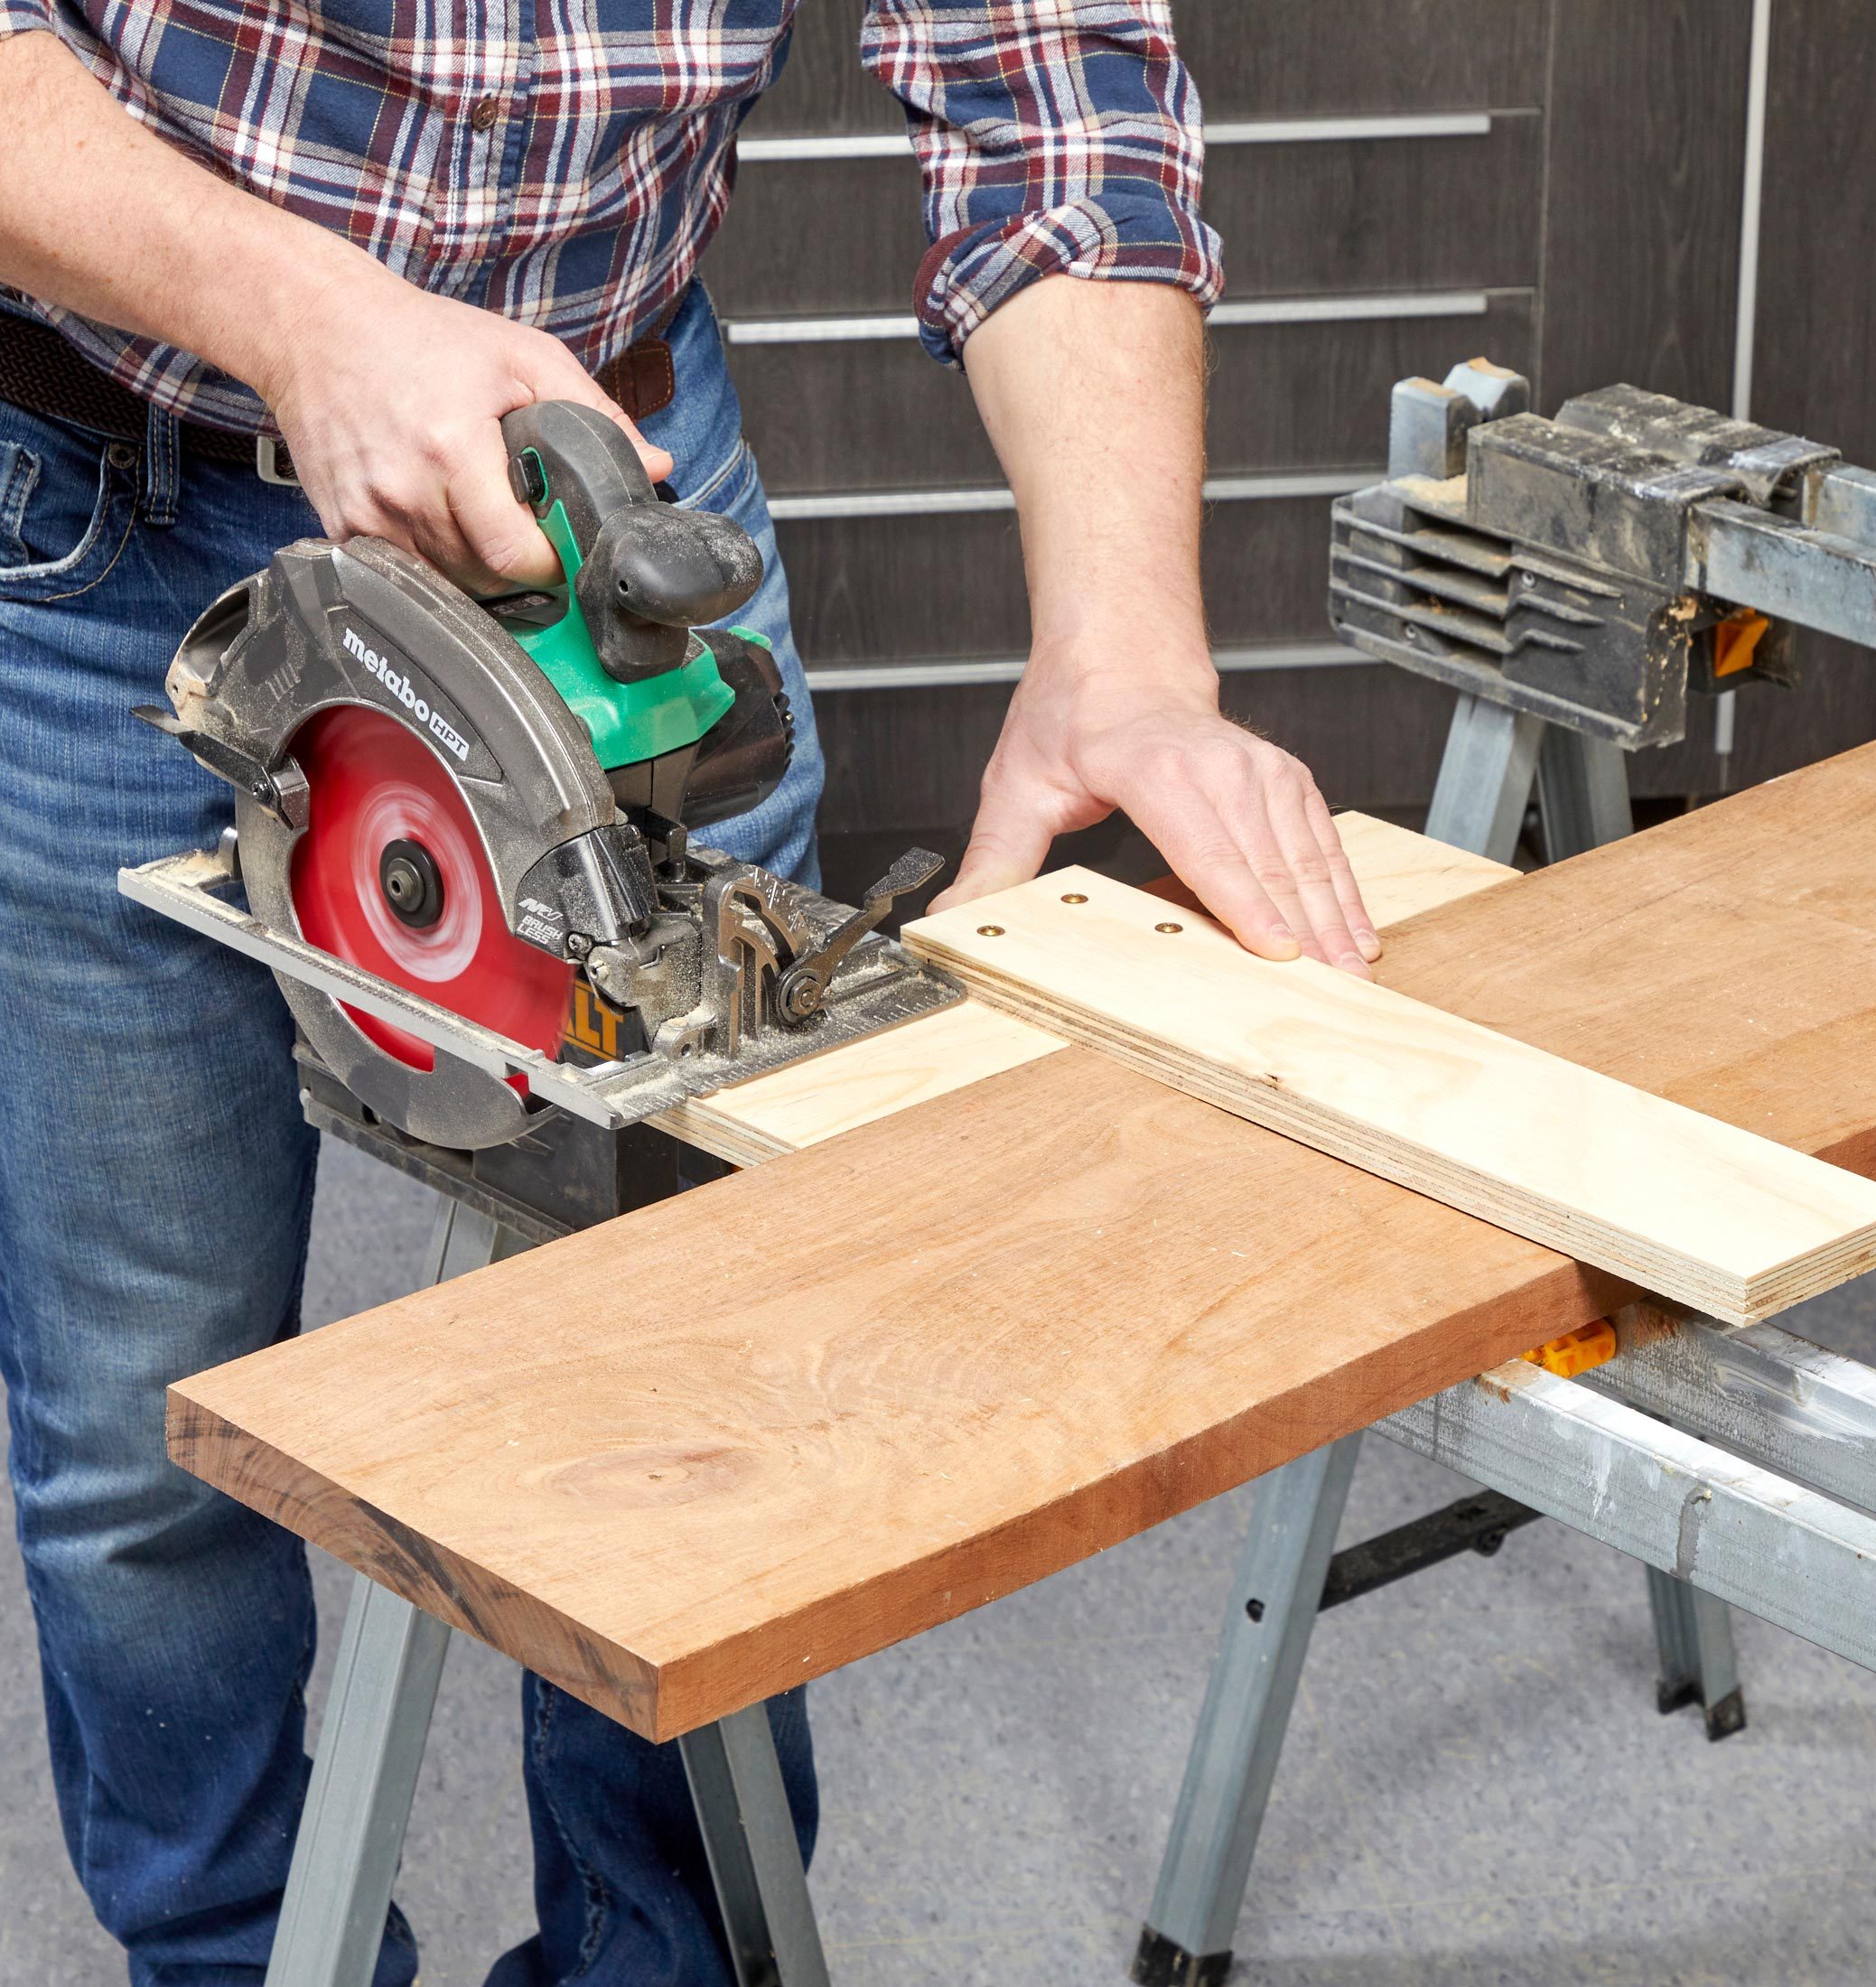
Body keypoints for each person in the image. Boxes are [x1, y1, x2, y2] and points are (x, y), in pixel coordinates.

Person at [0, 4, 1379, 1981]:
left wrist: (1125, 647)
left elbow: (1046, 70)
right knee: (149, 1439)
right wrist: (300, 313)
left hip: (594, 485)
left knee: (714, 1387)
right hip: (104, 492)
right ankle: (235, 1956)